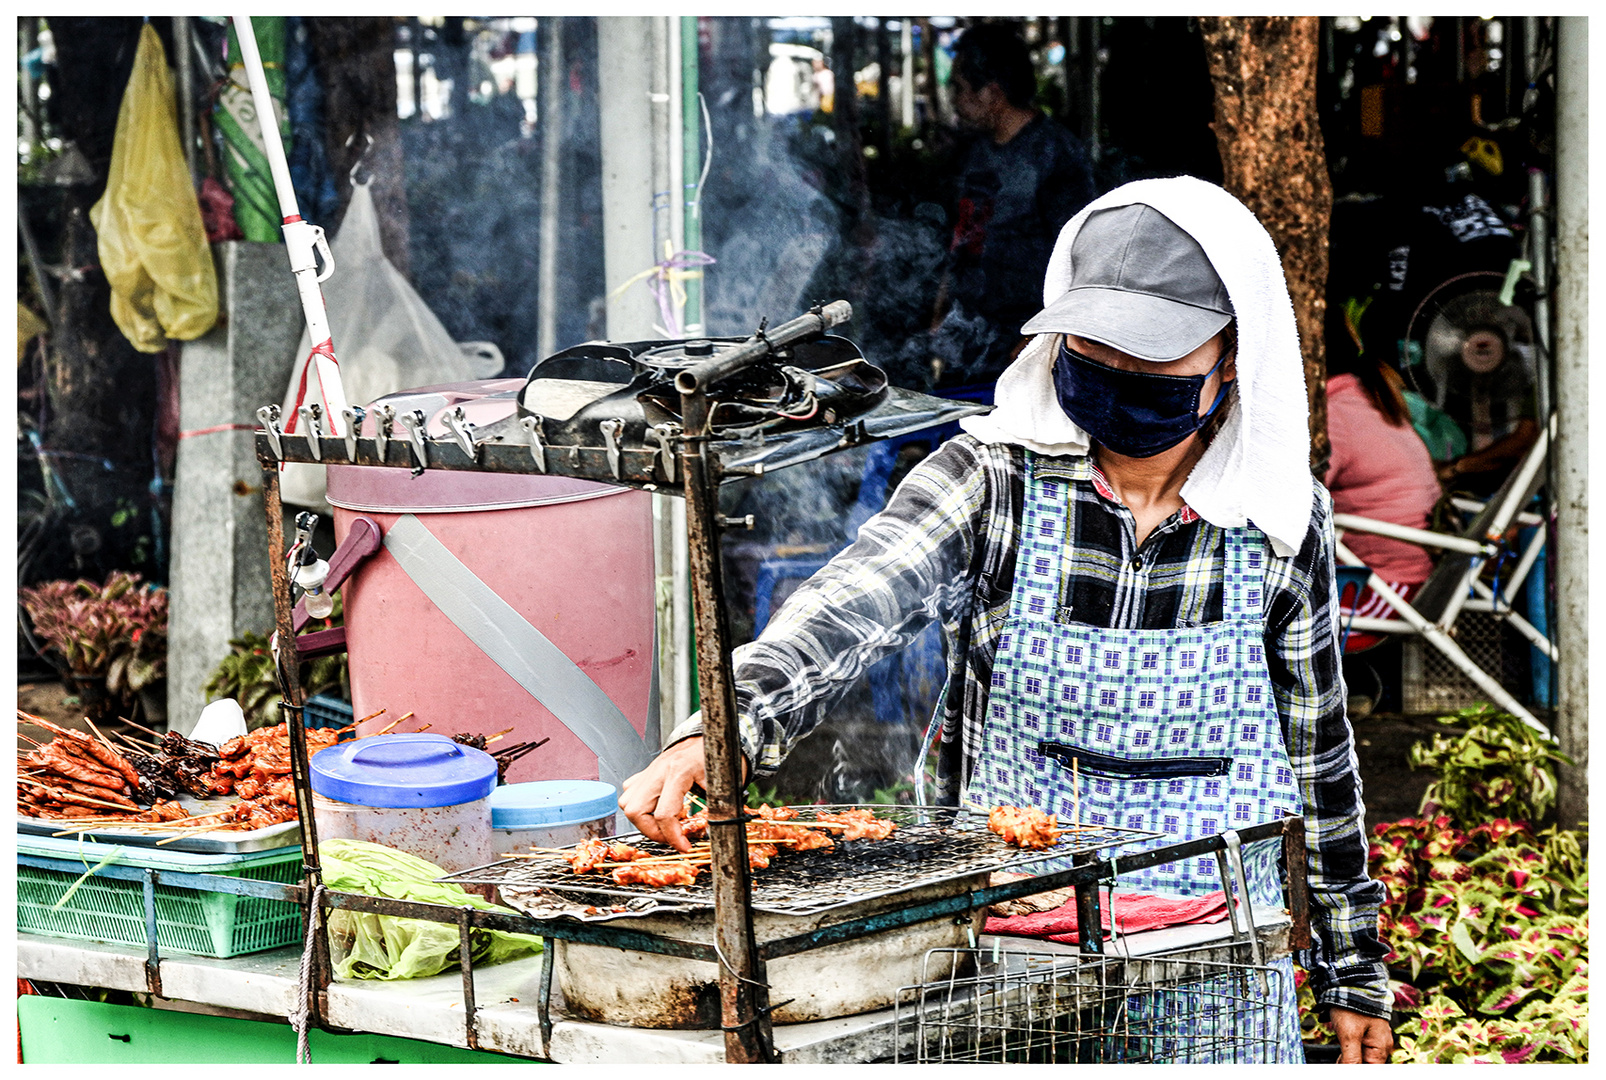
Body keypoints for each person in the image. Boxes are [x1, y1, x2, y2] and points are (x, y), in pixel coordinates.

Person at [622, 178, 1394, 1064]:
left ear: (1232, 357)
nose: (1121, 379)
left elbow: (1319, 753)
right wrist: (719, 733)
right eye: (1095, 351)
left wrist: (1351, 968)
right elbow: (851, 604)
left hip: (1215, 964)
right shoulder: (992, 480)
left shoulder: (1277, 520)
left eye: (1155, 364)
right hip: (1012, 951)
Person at [928, 24, 1097, 391]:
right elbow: (962, 234)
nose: (953, 98)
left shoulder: (1057, 156)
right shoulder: (973, 152)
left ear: (991, 93)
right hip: (968, 335)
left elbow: (1084, 258)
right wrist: (940, 310)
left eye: (958, 86)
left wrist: (1046, 337)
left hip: (1023, 340)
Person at [1325, 326, 1444, 652]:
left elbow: (1297, 500)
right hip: (1393, 573)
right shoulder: (1365, 397)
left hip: (1385, 588)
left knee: (1268, 612)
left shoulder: (1334, 414)